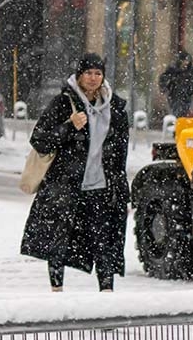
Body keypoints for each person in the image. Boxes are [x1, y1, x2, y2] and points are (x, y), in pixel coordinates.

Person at [20, 53, 130, 292]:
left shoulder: (116, 108)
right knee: (59, 240)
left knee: (104, 241)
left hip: (101, 187)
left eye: (98, 73)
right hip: (66, 186)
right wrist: (69, 127)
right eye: (88, 73)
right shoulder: (62, 103)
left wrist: (121, 187)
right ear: (79, 75)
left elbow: (121, 153)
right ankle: (56, 290)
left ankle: (107, 293)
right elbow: (39, 140)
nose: (93, 78)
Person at [159, 50, 193, 118]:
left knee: (185, 110)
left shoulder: (191, 70)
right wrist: (165, 87)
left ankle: (181, 121)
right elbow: (164, 78)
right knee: (175, 110)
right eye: (184, 60)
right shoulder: (172, 69)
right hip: (174, 94)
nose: (186, 63)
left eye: (187, 61)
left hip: (187, 94)